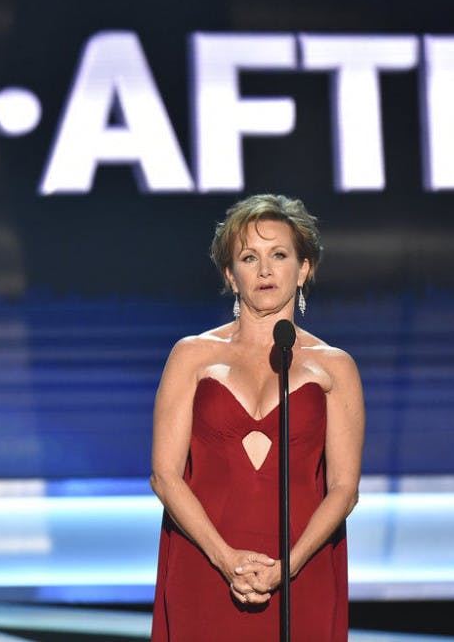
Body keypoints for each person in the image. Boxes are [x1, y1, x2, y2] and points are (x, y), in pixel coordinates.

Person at [150, 194, 364, 641]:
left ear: (304, 268)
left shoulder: (335, 367)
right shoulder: (191, 355)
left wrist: (288, 567)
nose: (265, 270)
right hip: (204, 566)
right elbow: (165, 477)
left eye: (279, 255)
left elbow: (343, 490)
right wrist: (226, 559)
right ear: (231, 275)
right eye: (250, 257)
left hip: (300, 573)